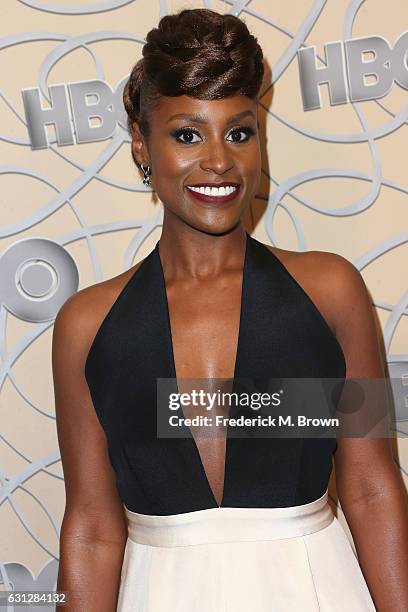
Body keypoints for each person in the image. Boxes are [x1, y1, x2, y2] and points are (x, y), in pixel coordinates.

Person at [53, 8, 408, 611]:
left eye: (239, 132)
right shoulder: (88, 326)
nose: (219, 160)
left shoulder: (330, 292)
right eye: (187, 134)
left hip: (317, 590)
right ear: (142, 145)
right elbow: (92, 527)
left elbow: (372, 487)